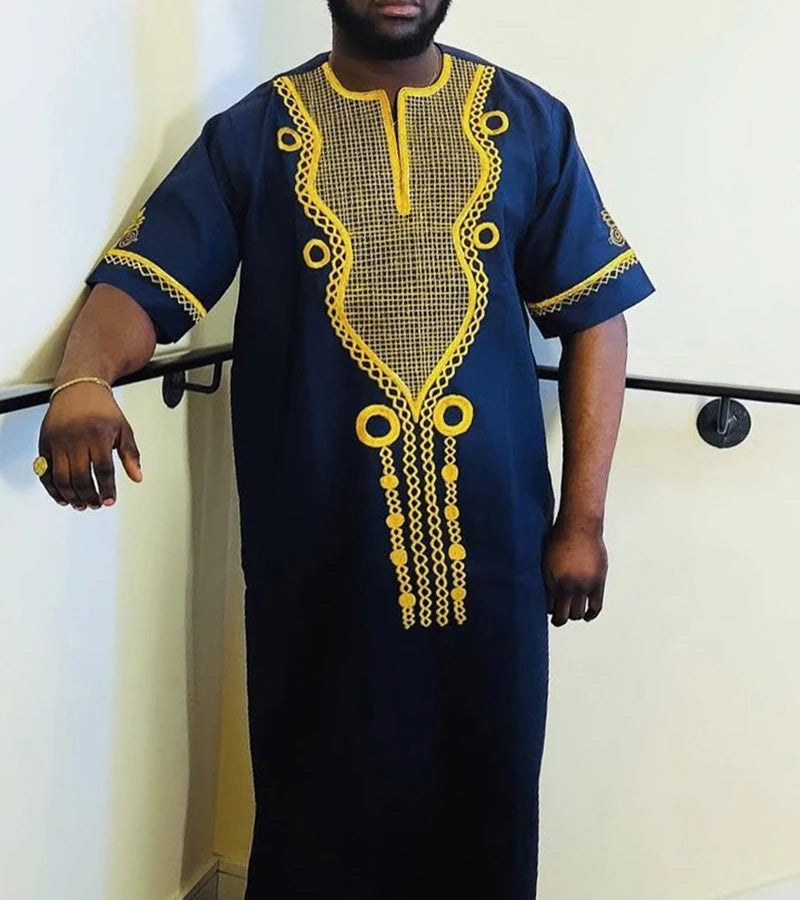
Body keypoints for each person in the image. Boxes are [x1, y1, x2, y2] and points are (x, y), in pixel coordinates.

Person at [35, 1, 654, 897]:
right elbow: (141, 282)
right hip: (317, 564)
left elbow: (596, 317)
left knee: (487, 808)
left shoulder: (527, 122)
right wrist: (82, 379)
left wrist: (583, 522)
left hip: (495, 564)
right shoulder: (254, 136)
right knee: (318, 811)